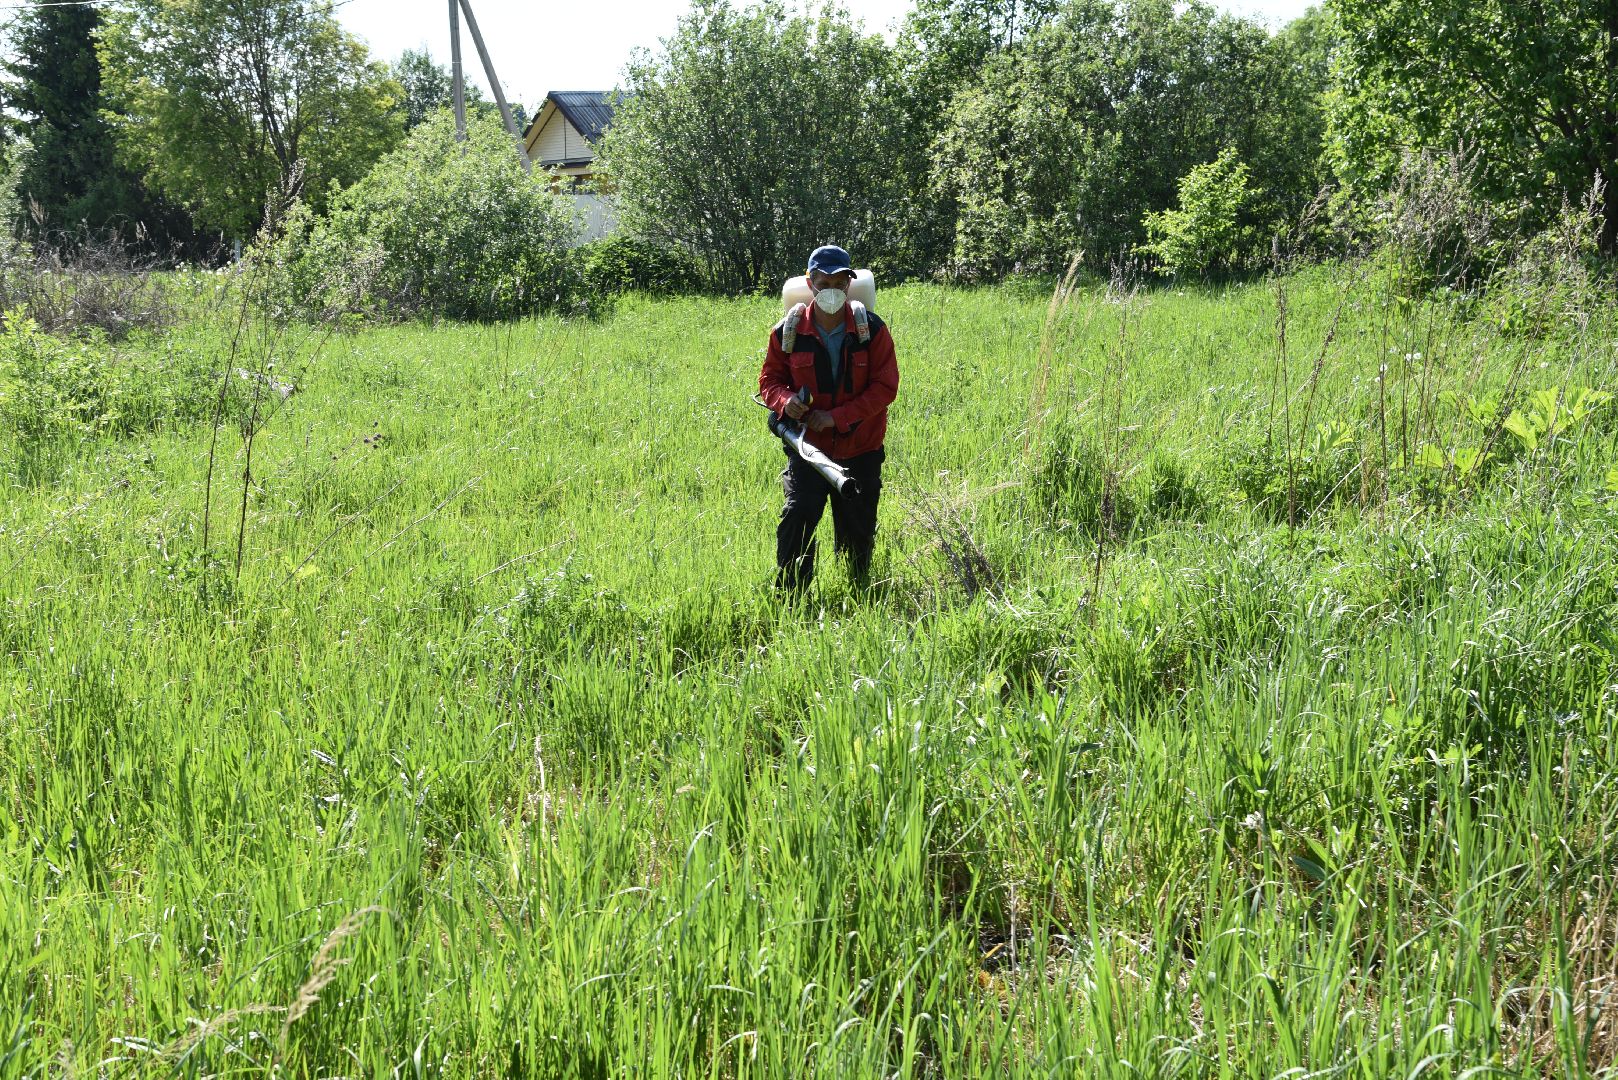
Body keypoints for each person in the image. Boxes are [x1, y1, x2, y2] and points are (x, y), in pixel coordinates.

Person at [758, 244, 899, 591]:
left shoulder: (872, 330)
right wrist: (786, 401)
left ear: (849, 285)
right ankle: (792, 595)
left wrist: (836, 418)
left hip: (861, 448)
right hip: (809, 449)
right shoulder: (786, 333)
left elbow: (885, 388)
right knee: (798, 515)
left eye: (839, 283)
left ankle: (856, 592)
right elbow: (769, 381)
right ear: (810, 283)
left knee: (858, 535)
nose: (831, 291)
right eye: (824, 283)